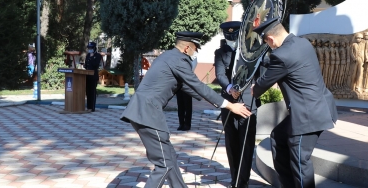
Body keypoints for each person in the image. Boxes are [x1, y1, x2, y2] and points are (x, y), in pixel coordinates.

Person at [121, 31, 251, 188]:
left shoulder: (167, 56)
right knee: (164, 164)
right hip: (148, 114)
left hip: (142, 112)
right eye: (195, 49)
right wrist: (230, 105)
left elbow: (189, 87)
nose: (195, 53)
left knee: (169, 157)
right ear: (187, 47)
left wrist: (223, 95)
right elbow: (198, 85)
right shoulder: (179, 60)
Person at [251, 18, 338, 188]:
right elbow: (288, 63)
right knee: (278, 137)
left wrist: (254, 86)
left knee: (299, 160)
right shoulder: (302, 43)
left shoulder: (281, 55)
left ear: (270, 39)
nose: (270, 47)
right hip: (318, 107)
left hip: (307, 116)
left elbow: (259, 87)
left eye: (268, 44)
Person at [215, 21, 259, 188]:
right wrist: (229, 87)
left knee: (246, 144)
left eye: (234, 35)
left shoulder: (252, 50)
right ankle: (235, 179)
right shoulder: (220, 52)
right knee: (231, 143)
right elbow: (219, 74)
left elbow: (260, 72)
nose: (232, 38)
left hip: (248, 103)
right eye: (228, 35)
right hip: (229, 103)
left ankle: (243, 181)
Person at [176, 53, 198, 131]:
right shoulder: (178, 55)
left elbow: (192, 66)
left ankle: (187, 124)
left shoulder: (193, 56)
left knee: (187, 105)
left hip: (188, 82)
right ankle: (181, 123)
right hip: (179, 82)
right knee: (180, 104)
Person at [84, 41, 103, 112]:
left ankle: (92, 108)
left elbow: (95, 64)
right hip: (87, 75)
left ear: (94, 48)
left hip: (93, 76)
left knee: (92, 92)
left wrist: (92, 58)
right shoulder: (88, 55)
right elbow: (86, 65)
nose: (89, 49)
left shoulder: (98, 55)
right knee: (88, 92)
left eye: (91, 48)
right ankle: (88, 107)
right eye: (89, 48)